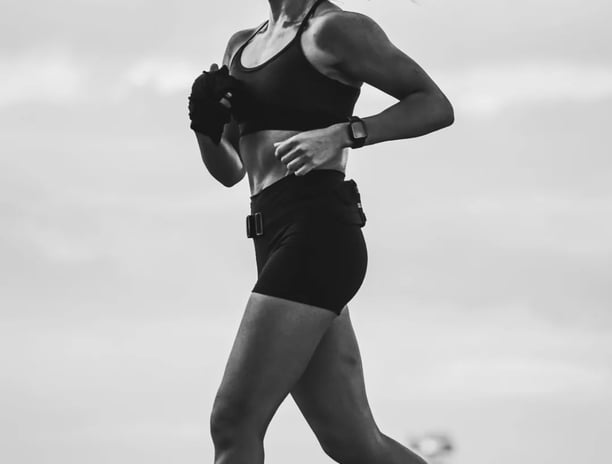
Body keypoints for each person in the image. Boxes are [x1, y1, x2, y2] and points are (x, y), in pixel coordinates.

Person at [187, 1, 454, 463]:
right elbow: (230, 171)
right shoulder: (241, 46)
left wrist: (345, 133)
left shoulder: (336, 31)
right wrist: (203, 126)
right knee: (354, 442)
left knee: (233, 421)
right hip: (271, 236)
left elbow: (435, 105)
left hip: (317, 234)